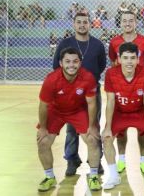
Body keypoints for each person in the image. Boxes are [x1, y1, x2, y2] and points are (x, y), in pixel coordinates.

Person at [37, 47, 101, 192]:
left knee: (92, 139)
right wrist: (43, 128)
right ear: (60, 63)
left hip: (78, 111)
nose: (71, 65)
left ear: (80, 62)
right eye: (67, 61)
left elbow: (91, 103)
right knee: (43, 142)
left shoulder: (88, 77)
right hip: (56, 111)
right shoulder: (51, 79)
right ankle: (49, 177)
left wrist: (91, 126)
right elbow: (43, 105)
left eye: (75, 61)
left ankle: (93, 176)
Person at [53, 12, 106, 176]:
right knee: (71, 128)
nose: (82, 25)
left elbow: (101, 66)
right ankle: (71, 159)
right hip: (70, 94)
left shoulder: (97, 45)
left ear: (90, 24)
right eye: (79, 22)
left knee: (94, 126)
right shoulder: (65, 43)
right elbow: (56, 66)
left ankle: (94, 160)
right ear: (74, 24)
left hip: (92, 91)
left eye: (85, 22)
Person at [102, 42, 144, 190]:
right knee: (107, 138)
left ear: (138, 59)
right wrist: (107, 127)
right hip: (120, 112)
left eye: (132, 58)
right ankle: (114, 175)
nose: (129, 61)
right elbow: (110, 101)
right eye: (125, 58)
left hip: (139, 111)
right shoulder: (110, 73)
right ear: (119, 59)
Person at [108, 10, 144, 174]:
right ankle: (121, 160)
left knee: (143, 132)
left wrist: (142, 75)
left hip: (139, 89)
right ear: (120, 23)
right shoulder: (114, 42)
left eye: (131, 20)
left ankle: (143, 161)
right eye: (124, 20)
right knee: (121, 131)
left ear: (136, 22)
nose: (127, 23)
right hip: (122, 89)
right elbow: (113, 62)